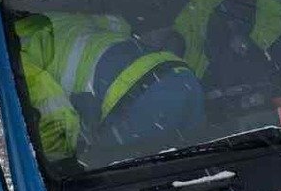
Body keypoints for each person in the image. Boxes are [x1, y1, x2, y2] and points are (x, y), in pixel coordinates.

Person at [13, 11, 204, 165]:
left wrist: (60, 164)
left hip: (128, 97)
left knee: (136, 169)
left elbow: (58, 120)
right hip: (173, 70)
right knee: (201, 154)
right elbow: (119, 24)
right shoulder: (54, 18)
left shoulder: (18, 58)